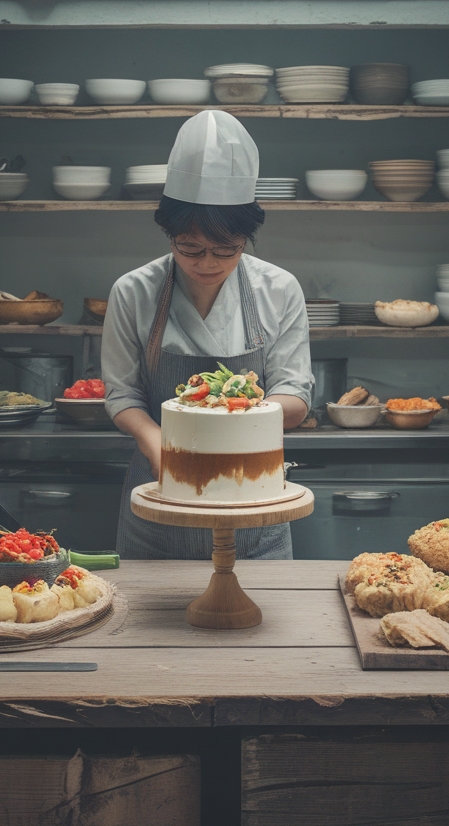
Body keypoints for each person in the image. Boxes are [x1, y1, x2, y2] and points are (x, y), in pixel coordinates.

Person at [102, 109, 313, 559]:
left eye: (226, 249)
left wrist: (234, 414)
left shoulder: (279, 289)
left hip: (254, 501)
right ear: (168, 233)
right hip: (159, 501)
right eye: (190, 248)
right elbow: (122, 396)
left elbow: (294, 394)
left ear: (246, 238)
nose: (208, 263)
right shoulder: (133, 292)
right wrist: (159, 443)